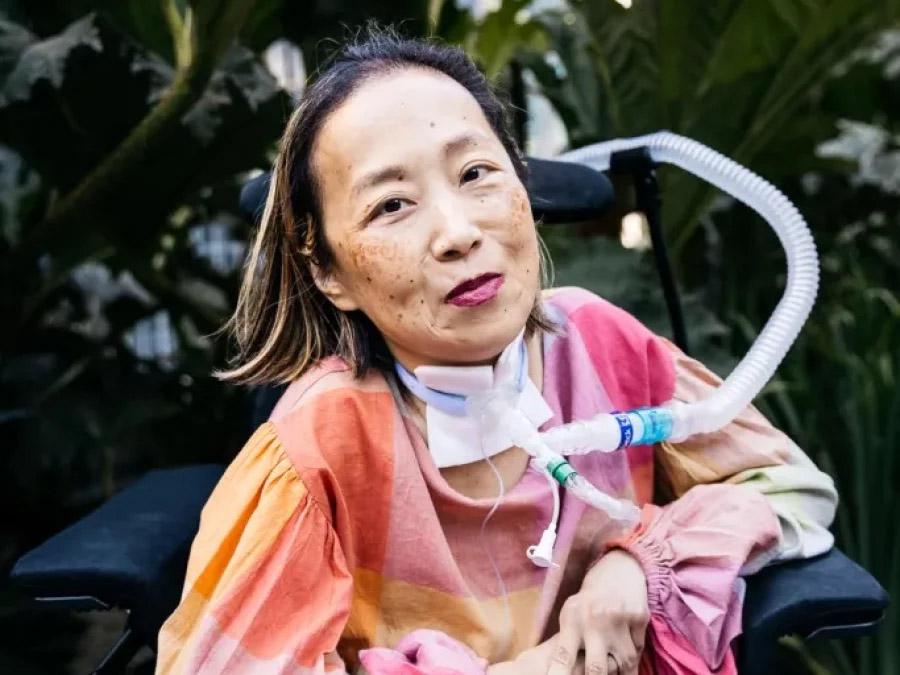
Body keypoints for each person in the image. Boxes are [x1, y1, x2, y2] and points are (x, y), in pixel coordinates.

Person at [156, 26, 837, 675]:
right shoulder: (320, 445)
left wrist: (638, 562)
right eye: (392, 205)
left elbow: (790, 489)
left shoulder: (599, 343)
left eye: (476, 172)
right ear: (328, 271)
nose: (458, 232)